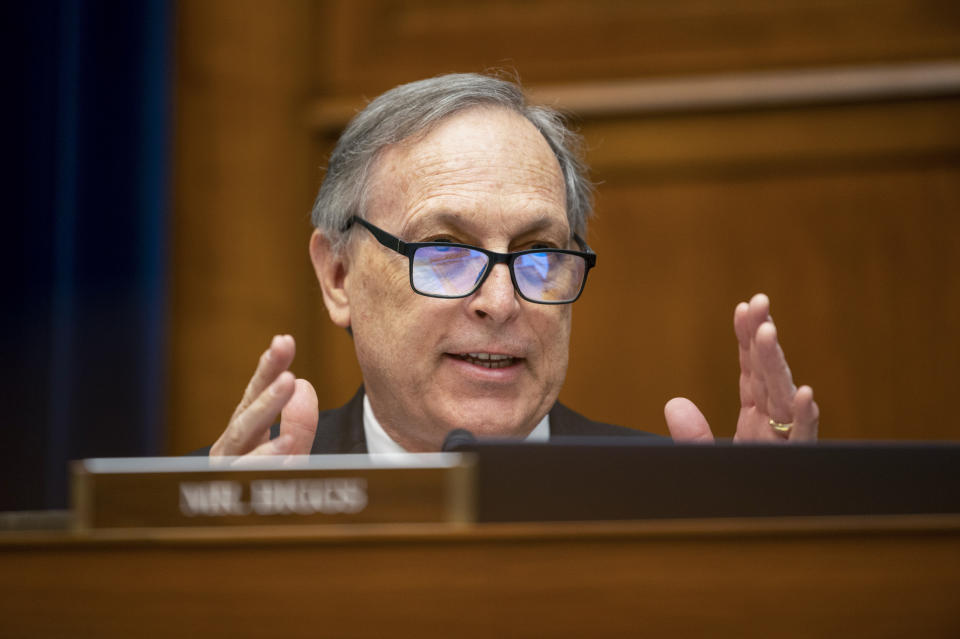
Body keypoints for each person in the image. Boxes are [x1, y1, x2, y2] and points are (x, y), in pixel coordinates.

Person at [207, 73, 819, 458]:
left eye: (536, 256)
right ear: (338, 276)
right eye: (445, 250)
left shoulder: (665, 504)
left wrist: (758, 557)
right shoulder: (241, 509)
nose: (500, 302)